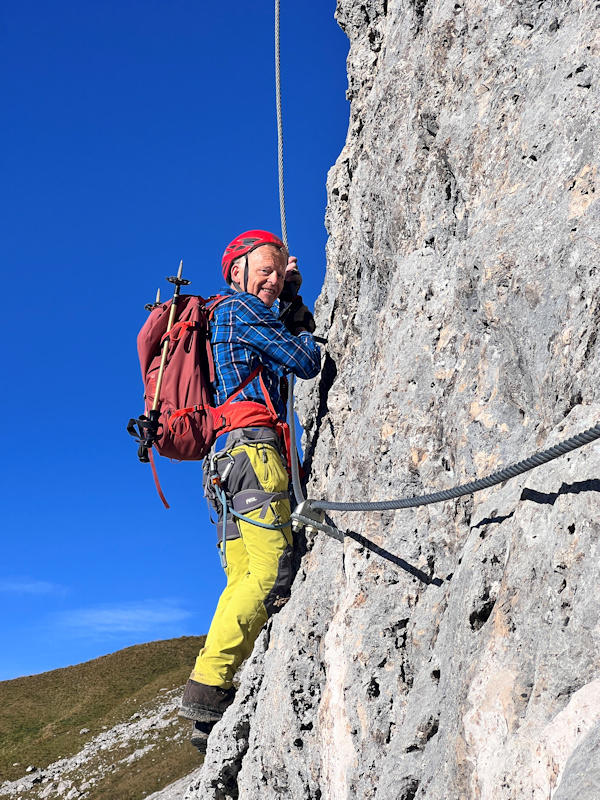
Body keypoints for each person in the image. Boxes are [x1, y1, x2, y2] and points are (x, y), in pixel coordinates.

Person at [178, 230, 321, 752]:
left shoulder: (222, 316)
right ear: (235, 269)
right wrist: (295, 303)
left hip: (223, 463)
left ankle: (208, 712)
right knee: (268, 571)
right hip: (254, 452)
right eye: (264, 268)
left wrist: (284, 298)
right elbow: (304, 361)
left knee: (242, 574)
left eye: (279, 272)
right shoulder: (240, 311)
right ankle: (207, 692)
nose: (272, 279)